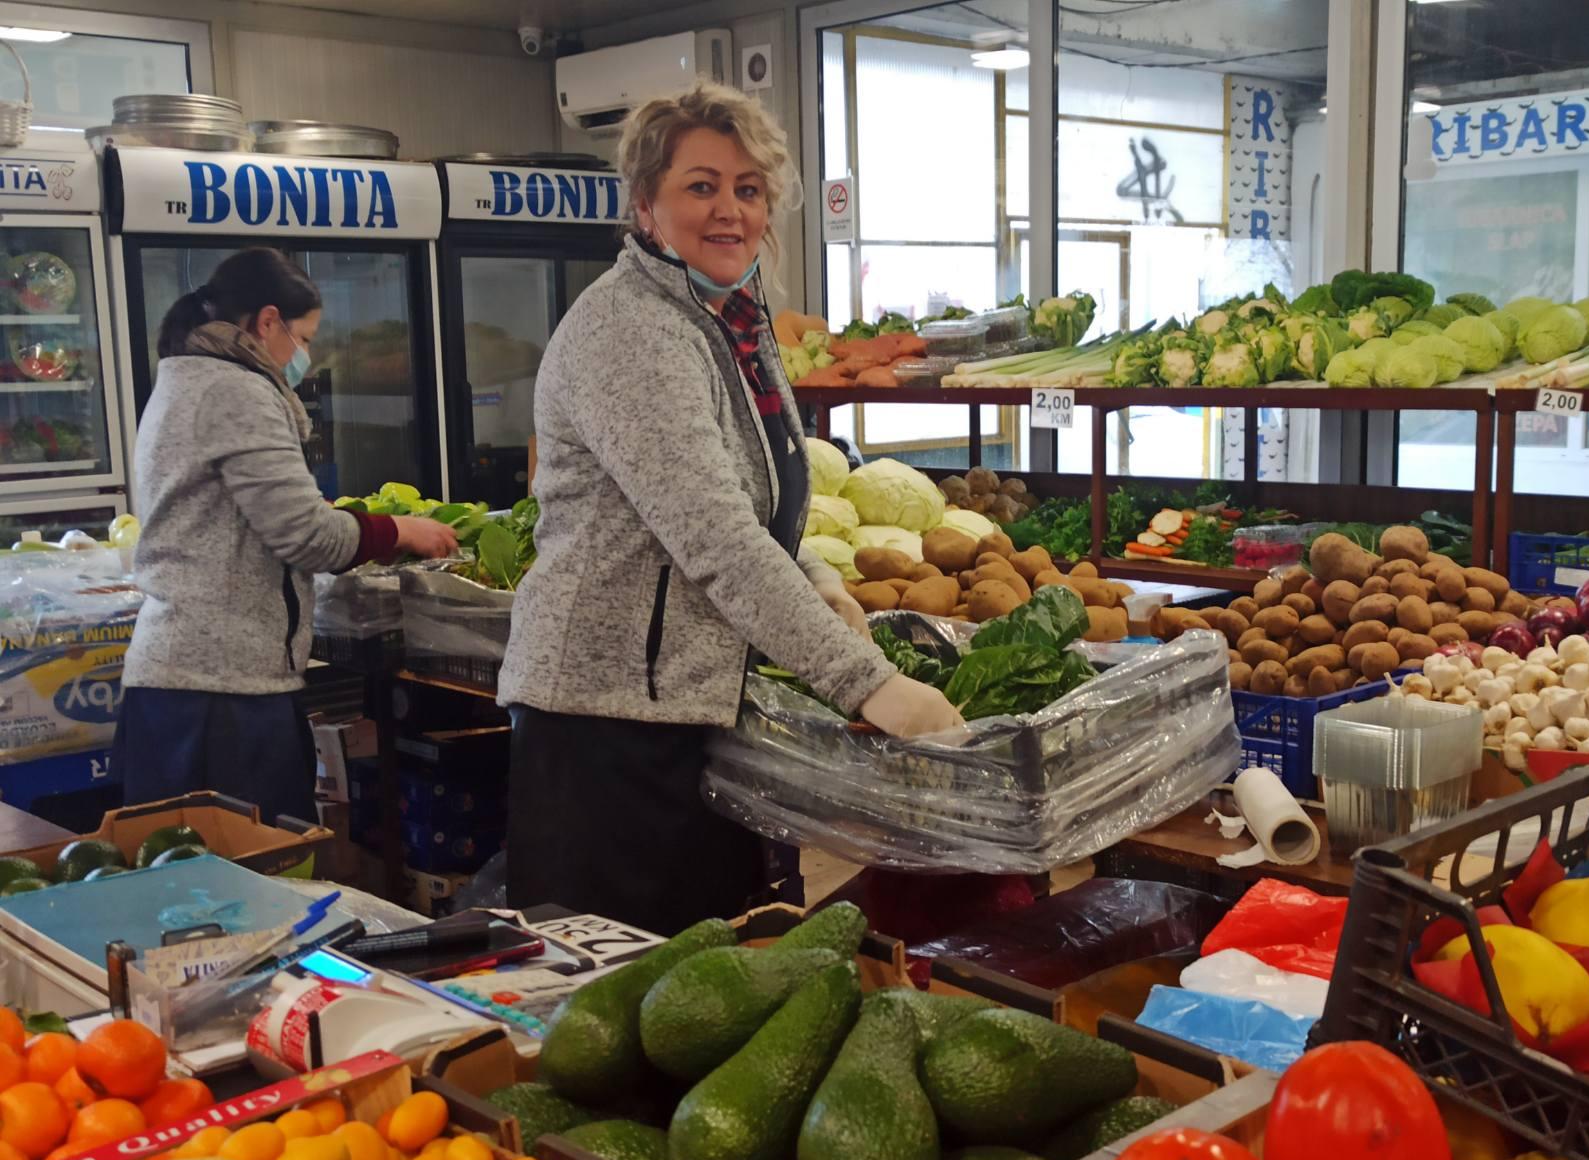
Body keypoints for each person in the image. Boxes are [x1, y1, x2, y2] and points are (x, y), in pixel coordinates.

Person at [497, 81, 963, 932]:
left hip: (688, 703)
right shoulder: (631, 329)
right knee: (625, 1005)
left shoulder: (731, 322)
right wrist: (870, 685)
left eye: (748, 189)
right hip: (605, 723)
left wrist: (813, 569)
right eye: (701, 186)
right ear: (645, 204)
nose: (730, 211)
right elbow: (711, 534)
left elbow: (755, 494)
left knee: (712, 980)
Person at [117, 248, 458, 823]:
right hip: (219, 694)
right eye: (305, 337)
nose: (308, 356)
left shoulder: (186, 379)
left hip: (184, 685)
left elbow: (254, 514)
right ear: (267, 321)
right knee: (255, 890)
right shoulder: (235, 390)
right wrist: (402, 530)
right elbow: (307, 537)